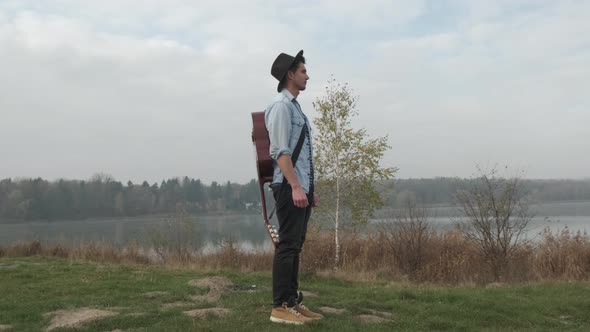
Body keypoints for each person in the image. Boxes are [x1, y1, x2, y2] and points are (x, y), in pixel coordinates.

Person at [265, 50, 323, 325]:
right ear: (291, 74)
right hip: (289, 188)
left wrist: (310, 189)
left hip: (300, 188)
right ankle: (279, 307)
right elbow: (281, 152)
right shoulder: (281, 106)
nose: (307, 75)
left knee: (295, 245)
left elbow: (302, 156)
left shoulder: (295, 106)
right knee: (287, 246)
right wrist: (297, 187)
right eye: (303, 71)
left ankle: (292, 303)